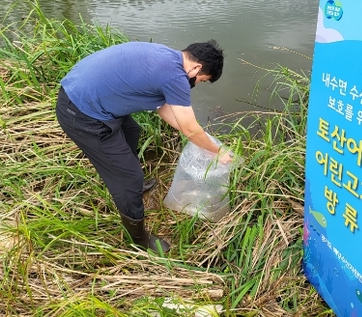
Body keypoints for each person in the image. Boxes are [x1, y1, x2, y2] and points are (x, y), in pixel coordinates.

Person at [55, 40, 232, 253]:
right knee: (129, 177)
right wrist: (216, 150)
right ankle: (138, 238)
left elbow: (166, 110)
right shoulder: (176, 77)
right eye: (201, 81)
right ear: (196, 68)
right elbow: (188, 128)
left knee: (131, 131)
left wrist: (199, 139)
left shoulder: (166, 57)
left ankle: (129, 186)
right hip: (82, 113)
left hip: (81, 94)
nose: (196, 83)